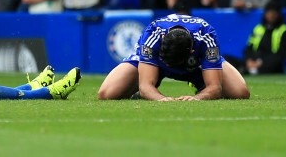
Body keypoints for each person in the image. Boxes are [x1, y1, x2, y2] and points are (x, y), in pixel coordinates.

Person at [98, 14, 250, 101]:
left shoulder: (206, 36)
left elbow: (215, 88)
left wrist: (198, 98)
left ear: (191, 51)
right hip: (154, 66)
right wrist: (161, 99)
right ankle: (136, 92)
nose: (169, 65)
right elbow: (145, 87)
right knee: (106, 94)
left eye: (172, 62)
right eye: (165, 59)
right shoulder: (152, 35)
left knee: (241, 93)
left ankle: (199, 82)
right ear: (162, 39)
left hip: (196, 67)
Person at [243, 2, 286, 74]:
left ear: (278, 15)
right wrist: (249, 60)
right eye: (269, 12)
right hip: (254, 59)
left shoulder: (284, 31)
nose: (271, 15)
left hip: (269, 63)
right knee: (226, 60)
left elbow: (282, 54)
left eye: (274, 13)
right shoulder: (258, 29)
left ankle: (252, 70)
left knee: (274, 65)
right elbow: (248, 48)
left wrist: (260, 63)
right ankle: (250, 69)